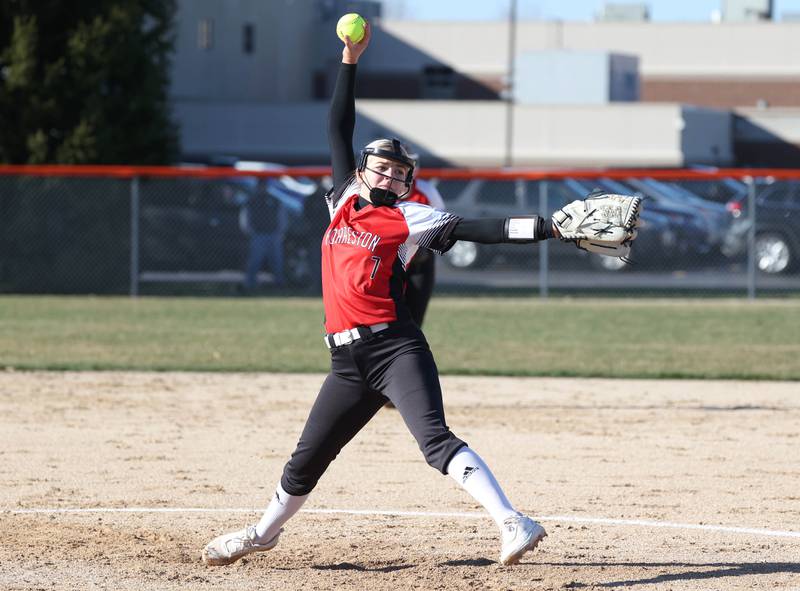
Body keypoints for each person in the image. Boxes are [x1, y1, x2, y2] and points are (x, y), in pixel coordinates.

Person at [202, 23, 639, 568]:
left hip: (395, 348)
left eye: (400, 172)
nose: (388, 175)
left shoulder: (410, 218)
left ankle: (512, 522)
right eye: (381, 167)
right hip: (345, 361)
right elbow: (338, 126)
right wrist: (348, 60)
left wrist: (551, 226)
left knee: (434, 441)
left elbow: (483, 228)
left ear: (408, 183)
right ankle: (262, 533)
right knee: (307, 460)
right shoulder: (341, 199)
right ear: (363, 170)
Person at [398, 148, 445, 328]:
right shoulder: (383, 191)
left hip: (419, 260)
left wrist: (425, 246)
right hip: (389, 261)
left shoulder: (426, 190)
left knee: (415, 317)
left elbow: (441, 223)